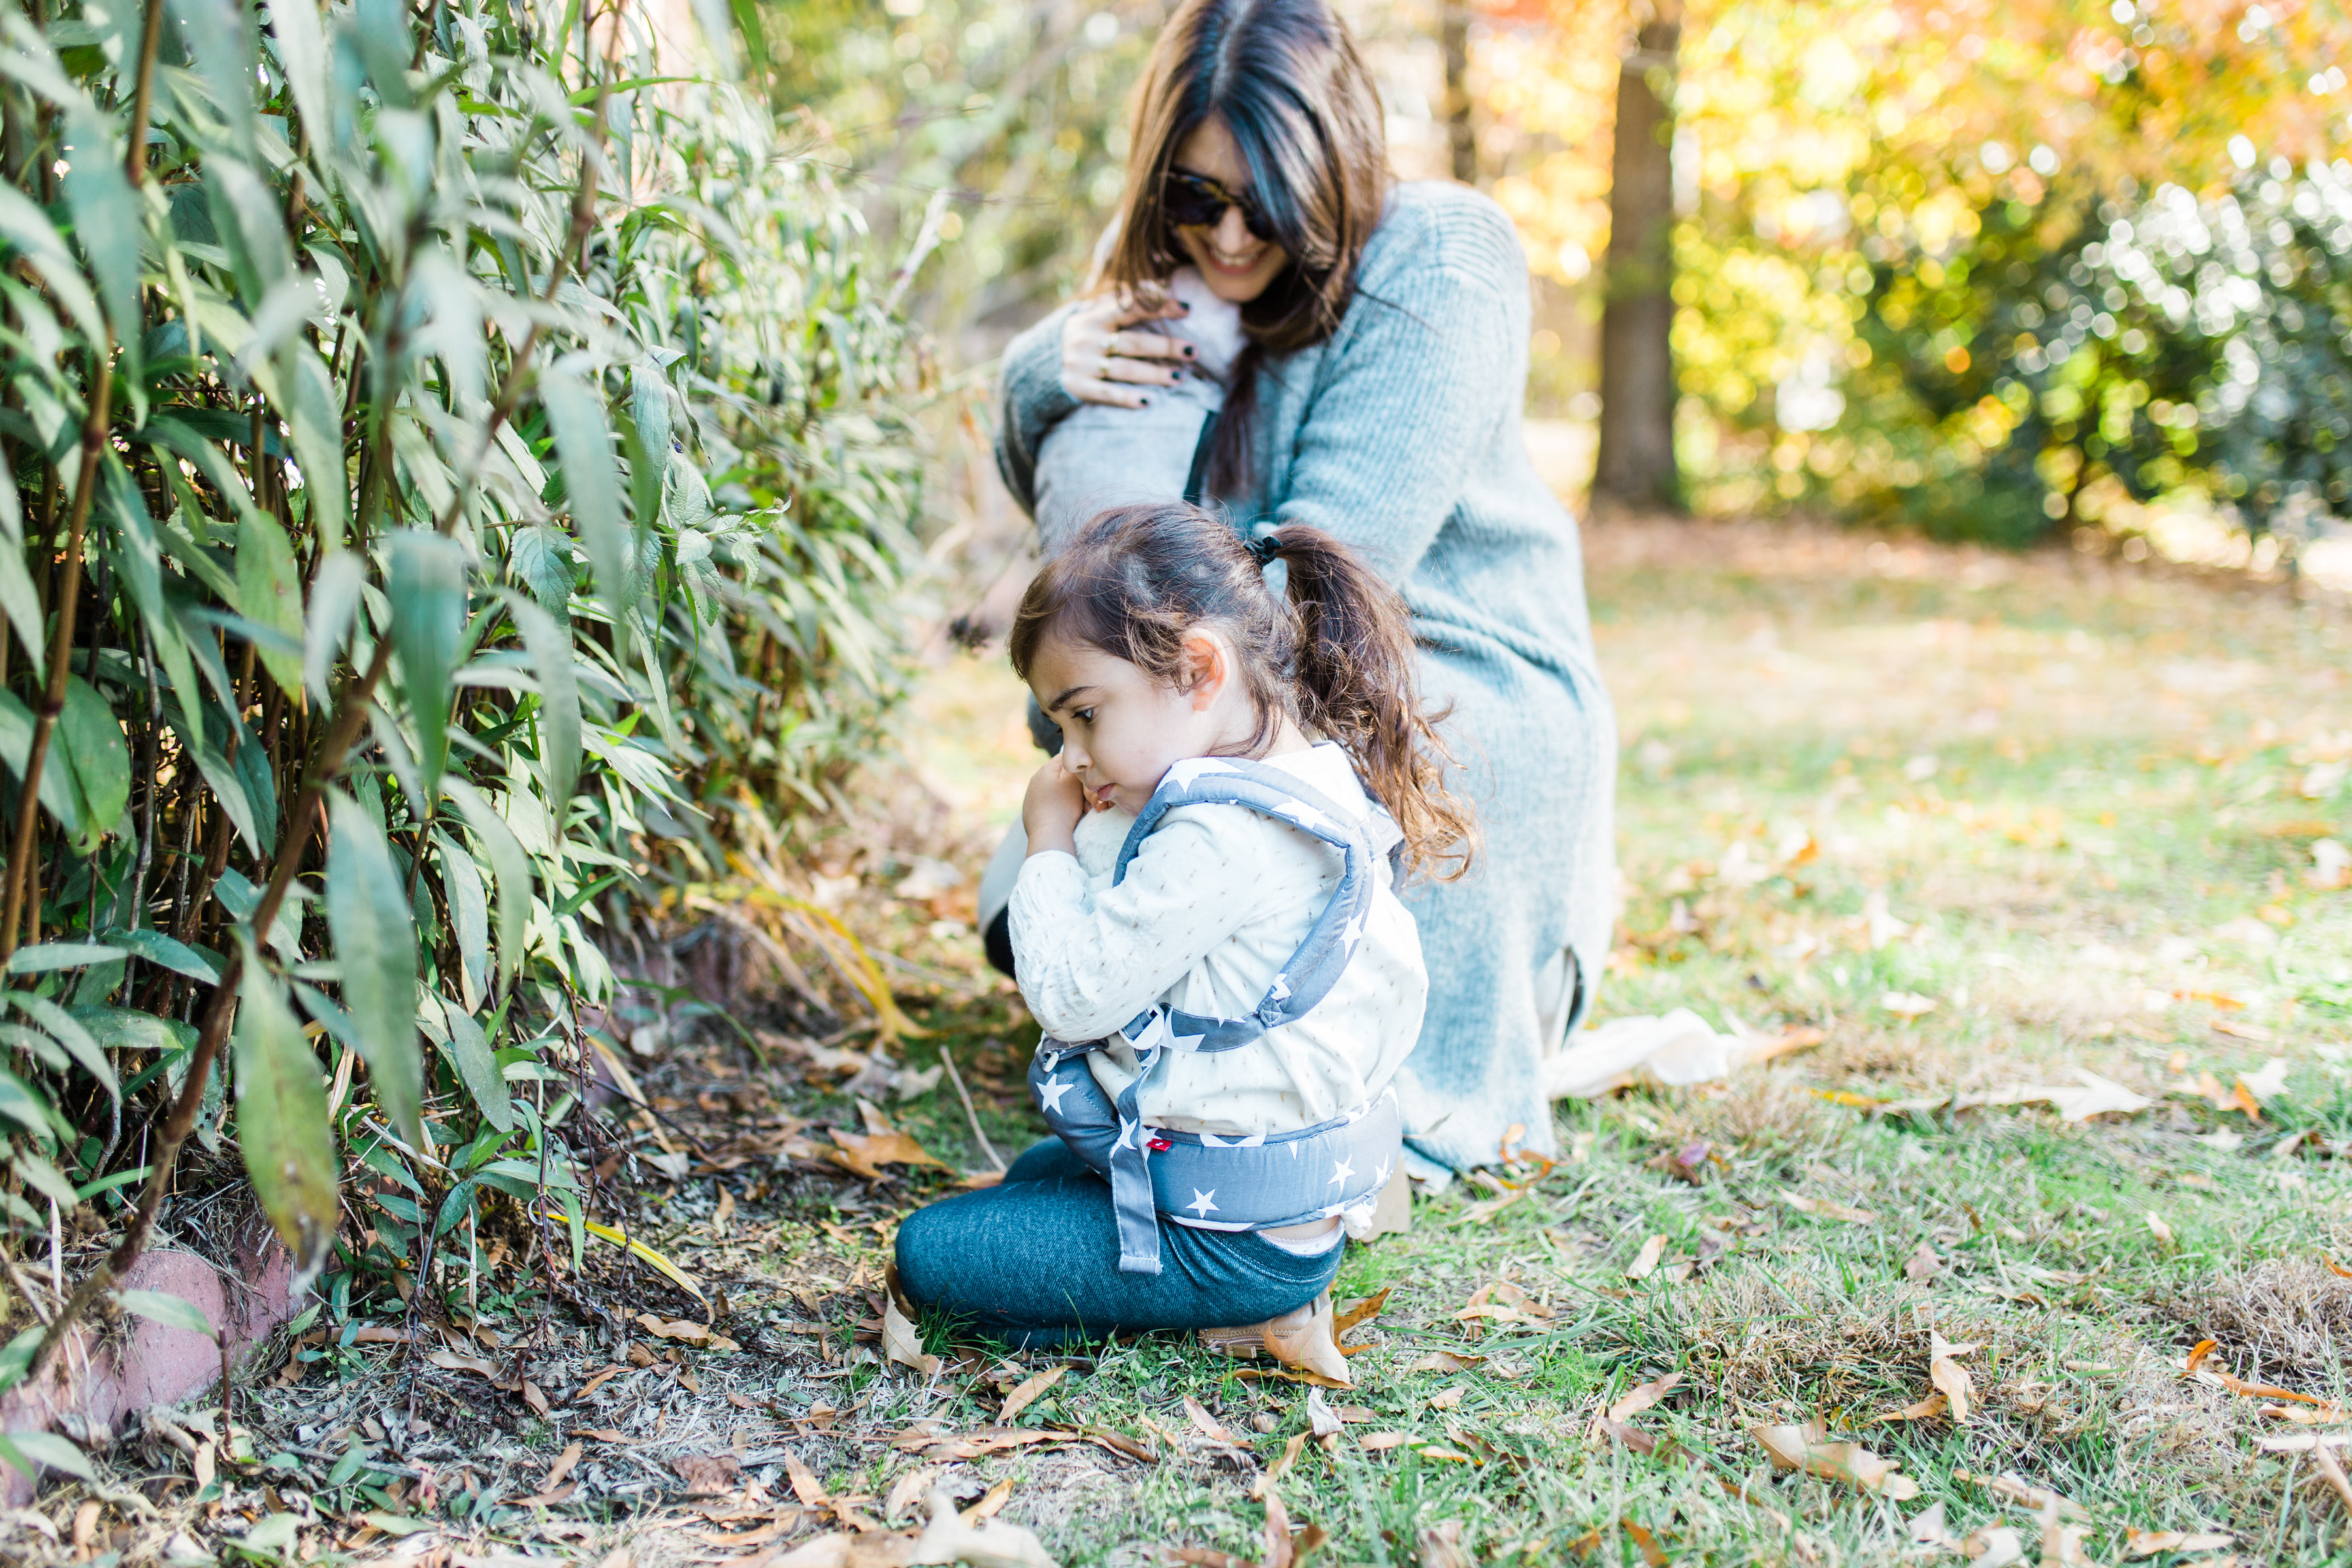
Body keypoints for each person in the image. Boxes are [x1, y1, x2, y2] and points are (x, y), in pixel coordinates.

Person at [982, 0, 1616, 1178]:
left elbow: (1334, 565)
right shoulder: (1172, 299)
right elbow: (1089, 564)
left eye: (1260, 203)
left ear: (1334, 159)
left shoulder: (1441, 252)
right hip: (1223, 664)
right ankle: (1151, 1017)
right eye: (1192, 197)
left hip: (1436, 656)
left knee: (1308, 754)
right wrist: (1038, 375)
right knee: (1116, 649)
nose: (1225, 235)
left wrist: (1154, 689)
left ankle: (1300, 1083)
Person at [896, 504, 1470, 1369]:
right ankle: (1249, 1288)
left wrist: (1048, 838)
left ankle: (1231, 1314)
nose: (1072, 754)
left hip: (1232, 1236)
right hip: (1268, 1198)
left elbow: (1071, 996)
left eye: (1084, 715)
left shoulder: (1218, 839)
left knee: (927, 1254)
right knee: (1027, 1182)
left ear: (1200, 669)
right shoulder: (1302, 774)